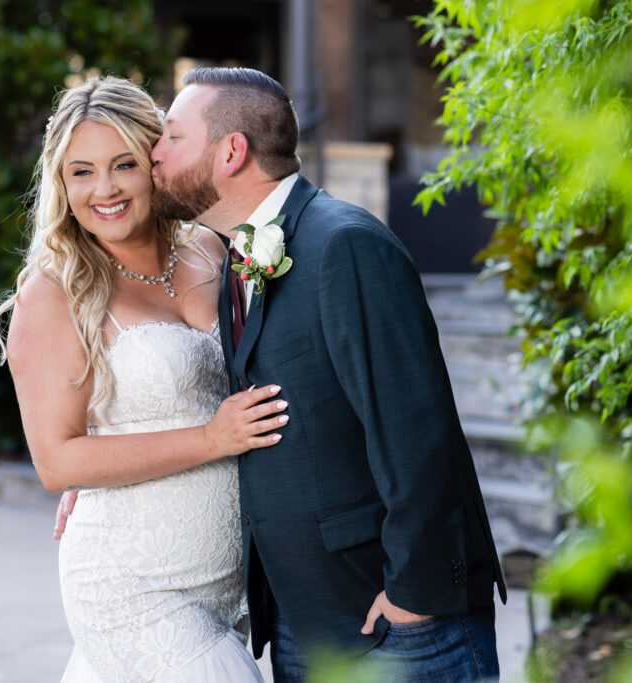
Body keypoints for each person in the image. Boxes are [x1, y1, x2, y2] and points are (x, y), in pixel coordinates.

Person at [147, 66, 507, 681]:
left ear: (231, 151)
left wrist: (414, 597)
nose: (154, 153)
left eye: (172, 137)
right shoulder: (243, 258)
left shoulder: (344, 245)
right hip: (305, 619)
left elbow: (416, 430)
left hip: (395, 622)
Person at [0, 75, 288, 682]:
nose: (104, 189)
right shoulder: (53, 295)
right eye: (81, 172)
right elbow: (58, 462)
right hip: (129, 585)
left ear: (156, 160)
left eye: (123, 164)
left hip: (227, 584)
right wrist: (210, 440)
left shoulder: (216, 251)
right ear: (60, 182)